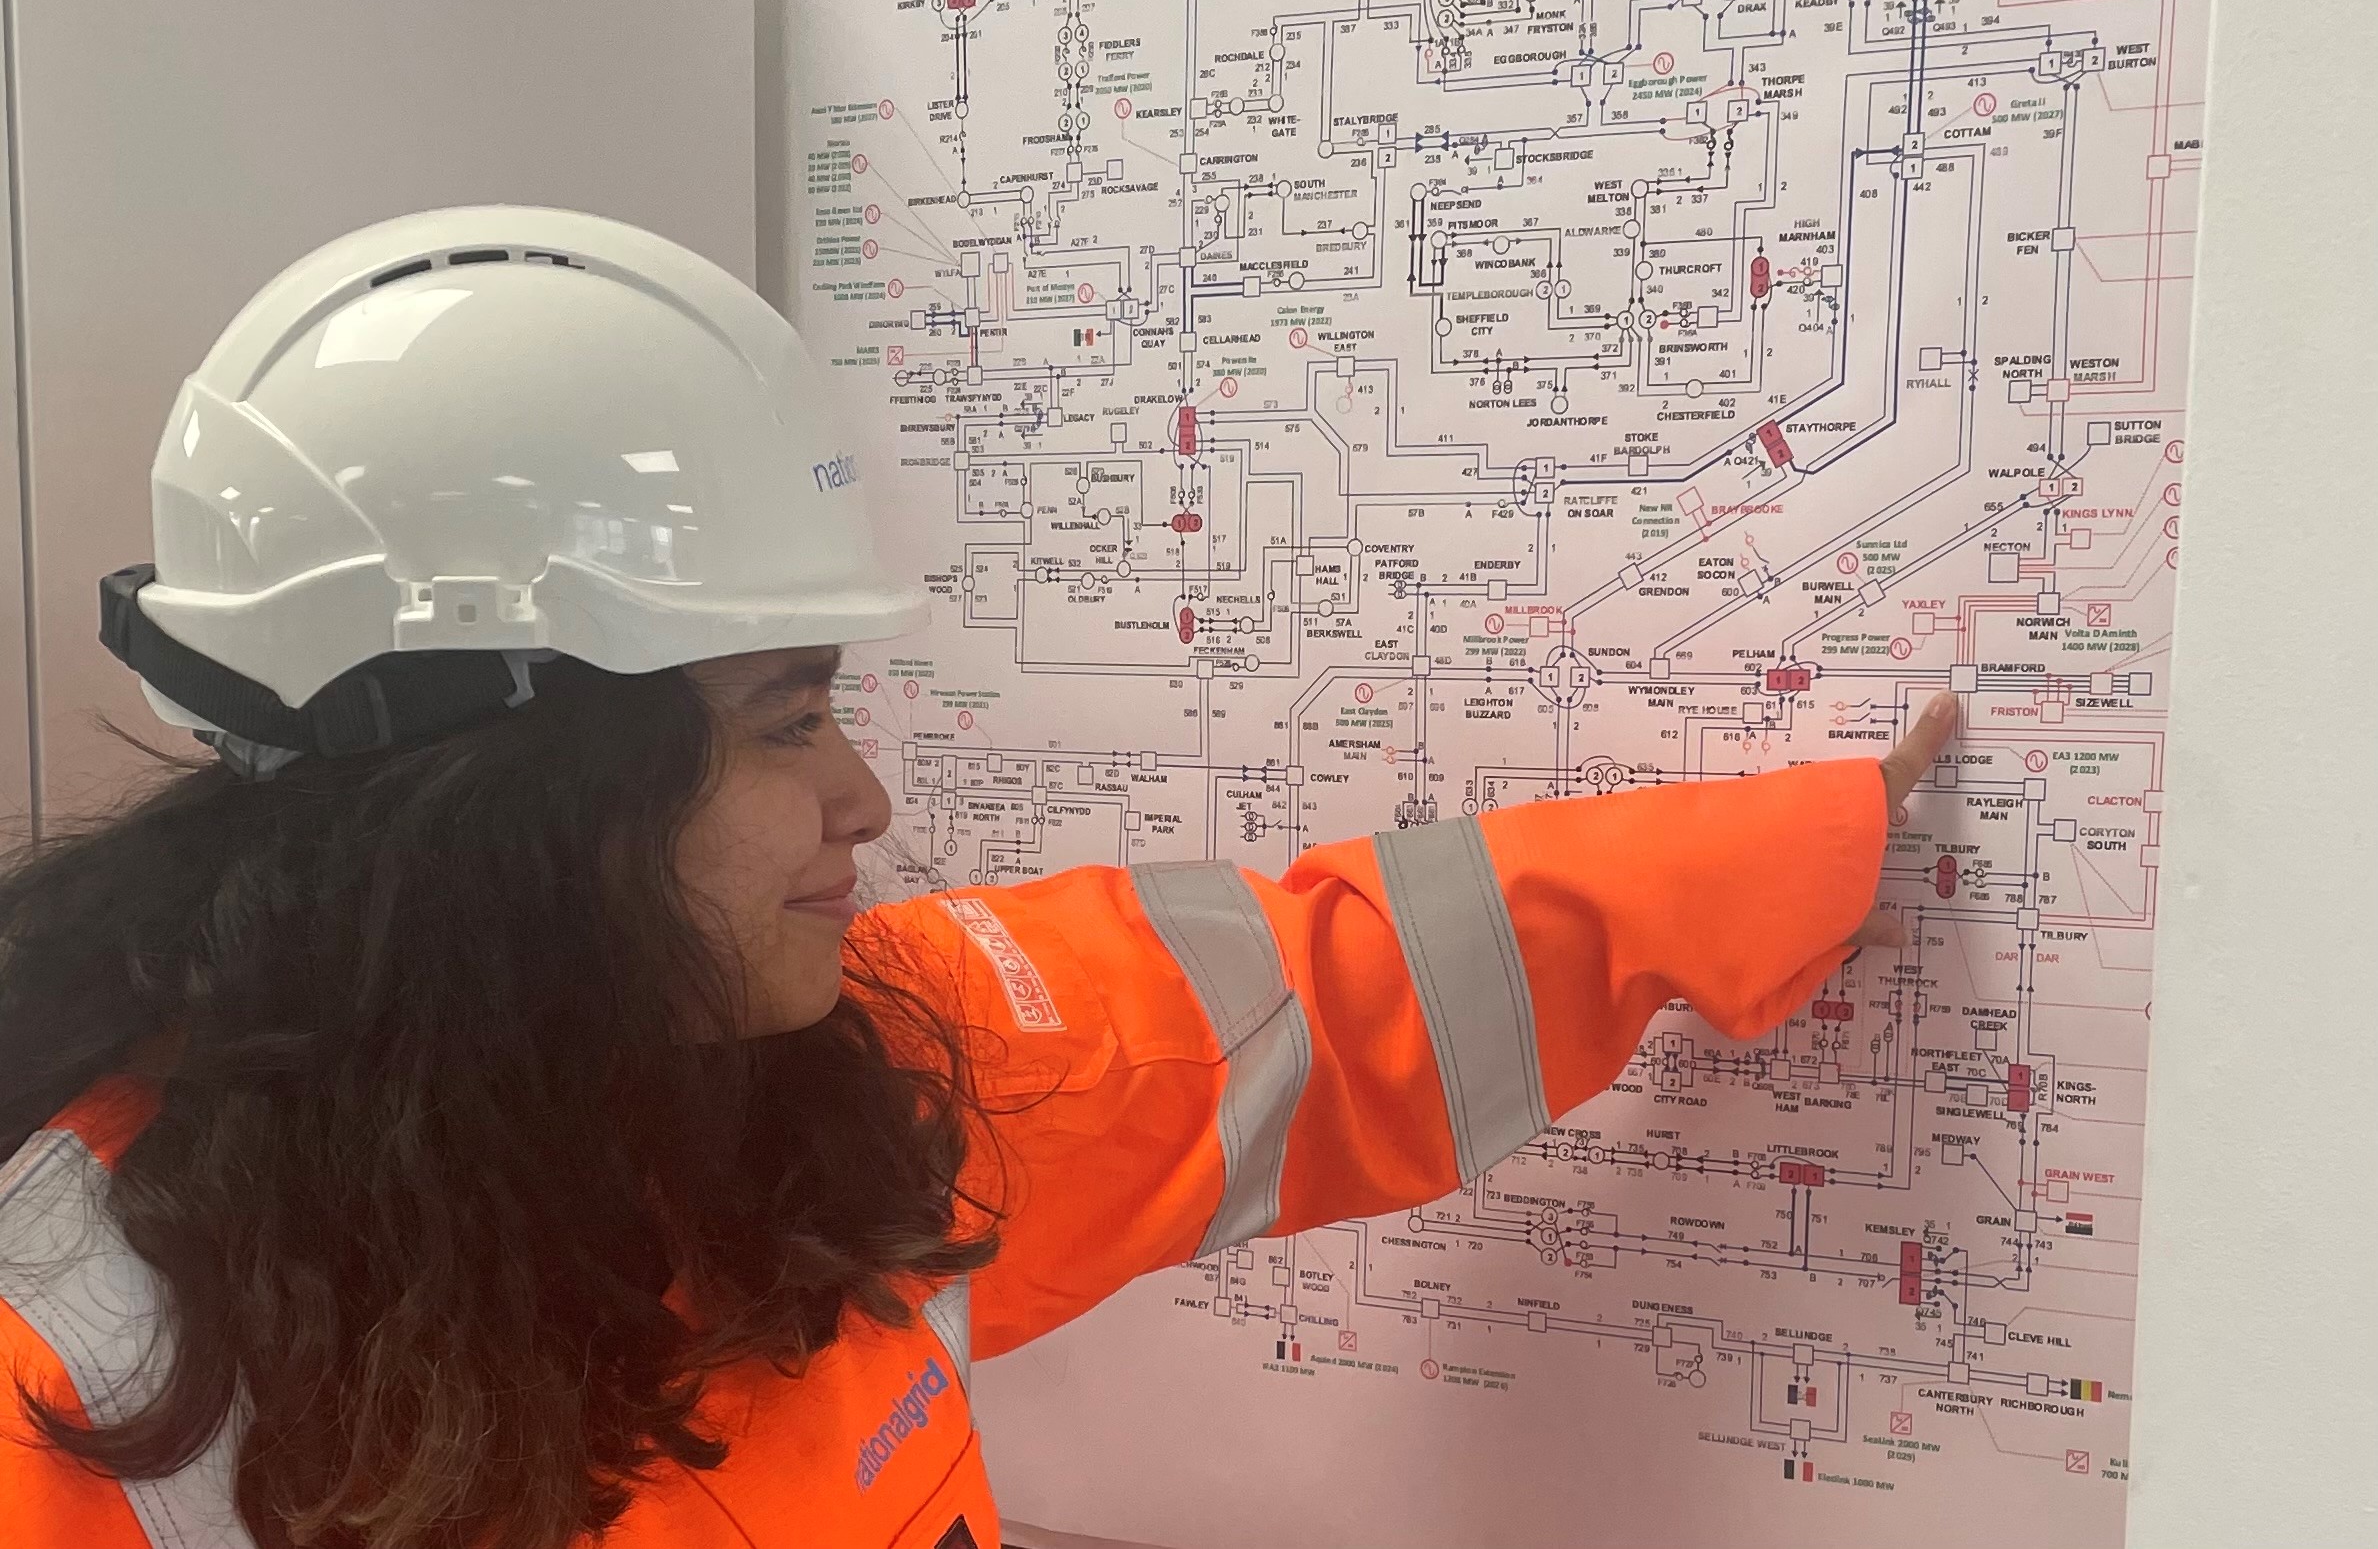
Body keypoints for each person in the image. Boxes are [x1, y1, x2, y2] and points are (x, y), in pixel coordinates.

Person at [0, 207, 1950, 1549]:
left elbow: (1336, 989)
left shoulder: (851, 1076)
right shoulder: (75, 1363)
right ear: (526, 806)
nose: (862, 794)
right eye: (783, 722)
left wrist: (1821, 838)